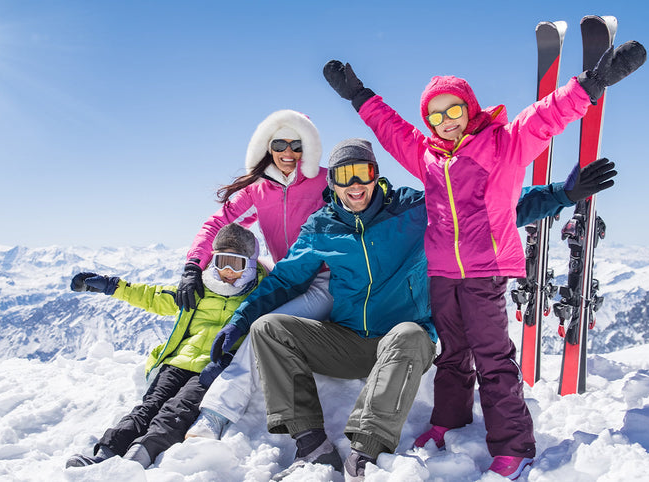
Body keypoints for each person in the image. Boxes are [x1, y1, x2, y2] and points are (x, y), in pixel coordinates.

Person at [323, 39, 645, 479]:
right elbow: (391, 129)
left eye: (452, 110)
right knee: (452, 355)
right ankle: (448, 420)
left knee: (493, 358)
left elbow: (547, 116)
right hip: (442, 271)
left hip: (486, 271)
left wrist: (592, 83)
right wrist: (359, 95)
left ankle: (514, 443)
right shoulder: (427, 156)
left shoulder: (504, 144)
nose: (444, 121)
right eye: (435, 115)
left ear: (469, 108)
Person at [209, 138, 435, 480]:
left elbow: (478, 207)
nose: (355, 184)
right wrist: (241, 321)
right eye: (344, 176)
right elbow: (285, 279)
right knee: (268, 329)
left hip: (401, 344)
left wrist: (547, 198)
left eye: (363, 172)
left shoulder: (411, 208)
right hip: (347, 341)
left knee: (410, 334)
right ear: (333, 183)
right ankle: (311, 444)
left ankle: (365, 453)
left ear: (376, 175)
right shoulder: (323, 226)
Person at [177, 109, 336, 440]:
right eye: (280, 144)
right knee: (243, 302)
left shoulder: (325, 182)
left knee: (262, 330)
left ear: (309, 147)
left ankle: (216, 414)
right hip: (286, 279)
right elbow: (218, 223)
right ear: (268, 146)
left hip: (324, 280)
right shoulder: (259, 190)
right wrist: (194, 264)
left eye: (297, 144)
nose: (289, 153)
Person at [64, 223, 264, 469]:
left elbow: (259, 335)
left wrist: (229, 358)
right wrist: (111, 286)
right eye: (222, 261)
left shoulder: (258, 296)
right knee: (148, 407)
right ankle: (105, 453)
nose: (228, 271)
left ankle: (138, 458)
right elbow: (153, 297)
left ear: (251, 264)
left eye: (237, 263)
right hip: (177, 362)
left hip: (211, 368)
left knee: (177, 410)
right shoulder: (199, 288)